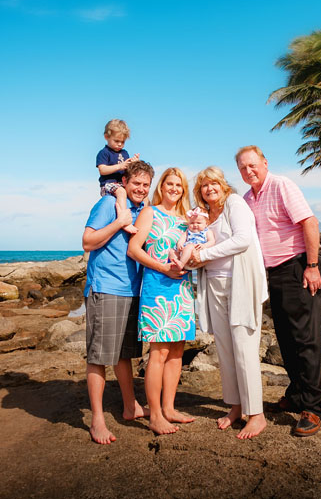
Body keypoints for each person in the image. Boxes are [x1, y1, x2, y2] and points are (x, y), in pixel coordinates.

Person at [236, 145, 321, 437]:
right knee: (286, 339)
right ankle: (297, 394)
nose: (248, 170)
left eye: (252, 164)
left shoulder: (281, 185)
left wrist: (312, 266)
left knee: (306, 339)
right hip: (272, 275)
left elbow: (309, 222)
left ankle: (312, 408)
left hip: (296, 268)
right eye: (243, 167)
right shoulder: (247, 198)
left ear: (265, 162)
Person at [188, 166, 268, 439]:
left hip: (240, 284)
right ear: (199, 191)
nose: (209, 188)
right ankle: (236, 407)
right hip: (213, 285)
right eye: (204, 185)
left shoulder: (234, 203)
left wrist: (203, 255)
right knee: (225, 349)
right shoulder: (202, 215)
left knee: (244, 348)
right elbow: (196, 248)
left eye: (214, 183)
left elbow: (242, 240)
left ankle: (256, 414)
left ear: (223, 185)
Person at [81, 159, 153, 444]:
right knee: (99, 356)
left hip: (132, 289)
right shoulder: (109, 204)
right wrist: (119, 223)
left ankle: (130, 406)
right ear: (124, 182)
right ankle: (97, 420)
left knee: (124, 354)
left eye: (146, 185)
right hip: (106, 287)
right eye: (136, 183)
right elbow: (88, 242)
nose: (141, 188)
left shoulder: (141, 210)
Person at [127, 167, 196, 435]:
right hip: (157, 288)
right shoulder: (150, 212)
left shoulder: (187, 219)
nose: (174, 189)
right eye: (170, 184)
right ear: (161, 186)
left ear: (183, 190)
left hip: (182, 290)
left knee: (177, 351)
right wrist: (162, 268)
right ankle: (155, 415)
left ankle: (169, 408)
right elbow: (134, 249)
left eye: (179, 185)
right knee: (159, 352)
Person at [96, 119, 141, 234]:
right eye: (116, 141)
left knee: (138, 192)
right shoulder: (104, 153)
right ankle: (124, 221)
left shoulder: (124, 153)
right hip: (108, 183)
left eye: (123, 142)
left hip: (122, 183)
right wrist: (119, 166)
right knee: (121, 192)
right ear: (106, 137)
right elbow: (102, 170)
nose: (120, 144)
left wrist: (134, 163)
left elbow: (128, 170)